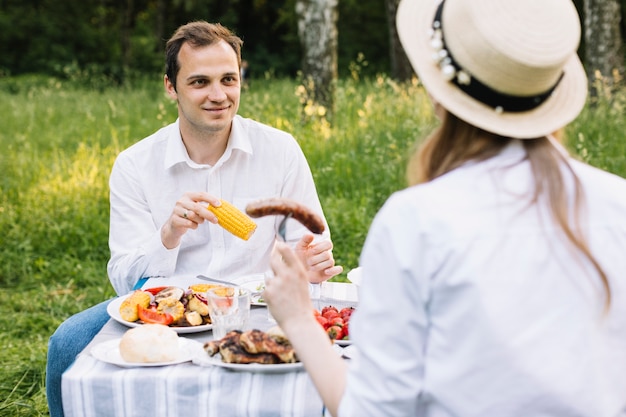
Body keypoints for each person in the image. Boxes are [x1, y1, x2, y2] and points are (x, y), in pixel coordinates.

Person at [263, 0, 626, 416]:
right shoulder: (619, 204)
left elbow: (373, 411)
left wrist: (296, 317)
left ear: (438, 91)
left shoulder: (416, 221)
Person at [46, 21, 342, 417]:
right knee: (66, 342)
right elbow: (123, 279)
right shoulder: (135, 165)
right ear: (171, 86)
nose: (218, 95)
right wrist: (169, 234)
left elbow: (307, 244)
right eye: (200, 82)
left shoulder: (280, 150)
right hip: (165, 310)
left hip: (254, 304)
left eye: (229, 80)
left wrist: (306, 264)